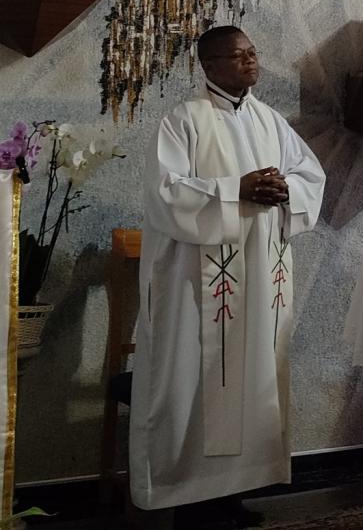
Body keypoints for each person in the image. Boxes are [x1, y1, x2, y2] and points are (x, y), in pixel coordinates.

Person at [130, 26, 325, 524]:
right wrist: (235, 190)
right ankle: (189, 498)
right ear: (209, 66)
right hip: (199, 288)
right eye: (237, 56)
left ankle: (237, 490)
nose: (250, 62)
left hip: (260, 284)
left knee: (255, 379)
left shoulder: (270, 121)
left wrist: (288, 192)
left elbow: (310, 176)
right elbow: (165, 196)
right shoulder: (183, 121)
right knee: (198, 381)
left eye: (253, 53)